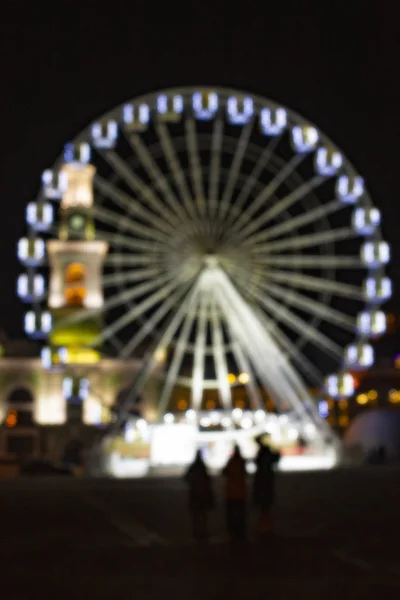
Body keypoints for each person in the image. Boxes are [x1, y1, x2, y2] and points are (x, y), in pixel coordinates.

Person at [253, 435, 280, 538]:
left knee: (264, 507)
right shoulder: (267, 452)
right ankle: (266, 526)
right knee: (265, 507)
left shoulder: (263, 452)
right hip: (267, 481)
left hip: (263, 481)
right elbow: (276, 459)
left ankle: (264, 527)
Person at [184, 450, 215, 540]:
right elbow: (208, 480)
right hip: (202, 494)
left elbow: (186, 477)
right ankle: (202, 530)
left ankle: (197, 531)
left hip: (195, 494)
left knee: (197, 515)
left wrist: (193, 483)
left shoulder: (194, 467)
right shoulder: (202, 467)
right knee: (202, 514)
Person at [222, 444, 247, 541]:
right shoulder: (241, 462)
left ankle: (232, 528)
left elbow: (224, 472)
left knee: (232, 512)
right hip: (240, 492)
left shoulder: (231, 462)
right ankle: (240, 528)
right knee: (240, 512)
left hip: (231, 492)